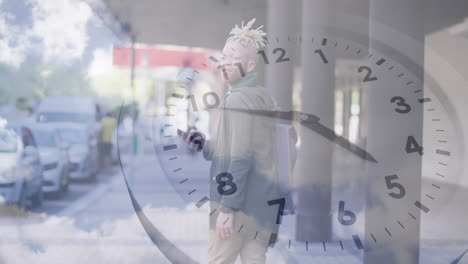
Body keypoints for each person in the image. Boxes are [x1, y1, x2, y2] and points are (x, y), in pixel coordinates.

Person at [181, 19, 281, 264]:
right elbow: (253, 149)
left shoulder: (237, 100)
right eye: (223, 55)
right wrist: (205, 144)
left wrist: (227, 210)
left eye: (231, 56)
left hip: (237, 208)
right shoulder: (263, 97)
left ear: (249, 64)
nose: (224, 62)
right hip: (263, 208)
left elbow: (241, 157)